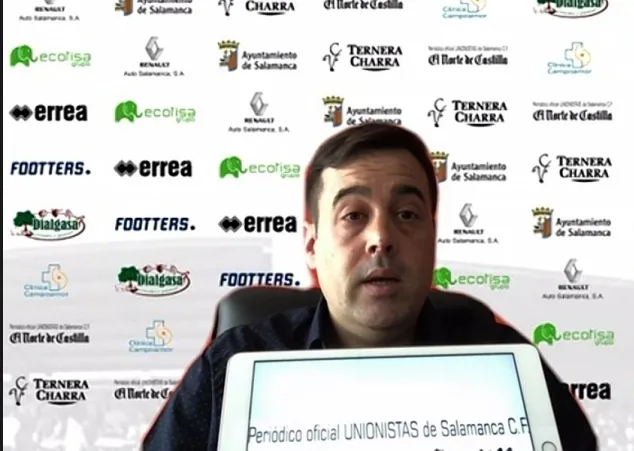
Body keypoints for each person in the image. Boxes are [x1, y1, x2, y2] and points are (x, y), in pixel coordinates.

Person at [142, 123, 598, 451]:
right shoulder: (232, 365)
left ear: (432, 240)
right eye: (354, 216)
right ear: (312, 246)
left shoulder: (503, 361)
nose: (381, 237)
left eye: (407, 215)